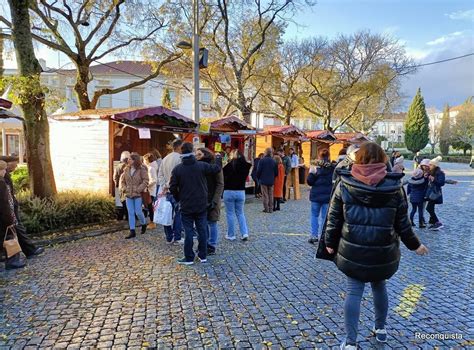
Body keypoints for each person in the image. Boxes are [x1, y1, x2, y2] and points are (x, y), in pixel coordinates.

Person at [324, 142, 428, 349]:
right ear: (384, 160)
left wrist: (329, 242)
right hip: (383, 250)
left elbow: (333, 218)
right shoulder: (395, 188)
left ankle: (351, 342)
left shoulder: (345, 183)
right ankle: (380, 330)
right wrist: (415, 245)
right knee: (380, 286)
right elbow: (403, 224)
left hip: (352, 249)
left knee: (354, 292)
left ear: (358, 159)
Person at [169, 142, 222, 265]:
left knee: (188, 232)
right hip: (201, 204)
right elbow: (216, 168)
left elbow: (172, 187)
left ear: (181, 153)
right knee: (202, 230)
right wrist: (218, 158)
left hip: (186, 204)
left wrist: (178, 198)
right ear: (192, 152)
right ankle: (202, 255)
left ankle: (188, 257)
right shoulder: (201, 166)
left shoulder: (178, 169)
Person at [0, 156, 44, 258]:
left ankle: (27, 250)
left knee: (14, 229)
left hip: (9, 208)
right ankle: (28, 251)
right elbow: (5, 196)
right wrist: (11, 209)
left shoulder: (5, 175)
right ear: (7, 164)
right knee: (16, 227)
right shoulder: (3, 178)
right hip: (8, 209)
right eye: (14, 164)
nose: (15, 167)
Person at [196, 147, 224, 255]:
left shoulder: (215, 165)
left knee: (212, 222)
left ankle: (212, 245)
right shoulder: (198, 166)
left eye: (199, 154)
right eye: (196, 154)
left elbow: (220, 184)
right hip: (201, 199)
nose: (196, 156)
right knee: (202, 223)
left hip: (212, 197)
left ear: (205, 154)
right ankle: (203, 244)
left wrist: (215, 200)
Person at [0, 160, 27, 269]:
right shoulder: (1, 183)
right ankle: (12, 261)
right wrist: (10, 219)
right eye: (3, 170)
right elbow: (5, 203)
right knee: (10, 237)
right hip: (4, 216)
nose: (4, 172)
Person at [223, 150, 252, 241]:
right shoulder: (246, 166)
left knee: (230, 213)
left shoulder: (229, 165)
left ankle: (231, 235)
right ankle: (244, 233)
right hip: (240, 191)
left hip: (229, 191)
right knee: (240, 213)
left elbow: (223, 175)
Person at [158, 139, 183, 244]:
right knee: (178, 214)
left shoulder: (165, 158)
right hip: (178, 190)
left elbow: (160, 174)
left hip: (167, 191)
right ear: (179, 147)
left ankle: (169, 236)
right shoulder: (180, 158)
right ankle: (177, 237)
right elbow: (180, 176)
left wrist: (164, 186)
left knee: (167, 213)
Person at [307, 149, 334, 244]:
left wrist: (311, 173)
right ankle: (323, 236)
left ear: (319, 156)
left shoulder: (315, 166)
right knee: (324, 217)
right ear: (328, 156)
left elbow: (310, 181)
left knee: (314, 215)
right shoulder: (332, 167)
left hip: (316, 195)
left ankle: (314, 235)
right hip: (327, 195)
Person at [119, 152, 149, 239]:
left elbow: (146, 180)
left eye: (130, 159)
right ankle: (132, 231)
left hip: (138, 194)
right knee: (130, 213)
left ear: (135, 160)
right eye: (128, 159)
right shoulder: (126, 169)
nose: (128, 160)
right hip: (128, 194)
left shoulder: (141, 169)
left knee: (138, 212)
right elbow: (122, 181)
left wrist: (138, 189)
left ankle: (143, 223)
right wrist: (125, 189)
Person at [425, 156, 445, 230]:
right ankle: (433, 223)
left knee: (429, 208)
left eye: (431, 165)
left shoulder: (440, 173)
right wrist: (426, 177)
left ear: (435, 166)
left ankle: (437, 222)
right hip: (430, 193)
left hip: (435, 193)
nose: (429, 166)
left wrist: (434, 180)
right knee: (430, 208)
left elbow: (441, 183)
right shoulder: (431, 172)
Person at [256, 148, 278, 213]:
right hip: (271, 180)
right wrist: (273, 177)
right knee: (271, 195)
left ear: (265, 152)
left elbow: (258, 171)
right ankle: (271, 208)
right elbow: (276, 172)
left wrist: (258, 178)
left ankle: (266, 208)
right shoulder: (274, 161)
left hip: (263, 180)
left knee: (265, 195)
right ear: (271, 153)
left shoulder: (262, 161)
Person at [143, 153, 159, 229]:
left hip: (150, 190)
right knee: (149, 207)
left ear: (147, 160)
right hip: (149, 190)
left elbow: (154, 180)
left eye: (144, 160)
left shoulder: (151, 169)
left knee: (150, 207)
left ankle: (153, 223)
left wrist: (146, 185)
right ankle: (152, 221)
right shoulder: (150, 167)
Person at [113, 151, 131, 221]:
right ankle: (128, 216)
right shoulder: (130, 166)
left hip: (121, 187)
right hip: (129, 187)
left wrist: (116, 184)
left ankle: (122, 216)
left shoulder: (118, 166)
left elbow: (115, 177)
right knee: (128, 202)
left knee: (122, 201)